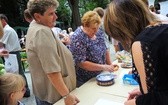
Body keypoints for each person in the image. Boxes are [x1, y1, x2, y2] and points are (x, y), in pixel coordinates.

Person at [104, 0, 168, 105]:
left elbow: (156, 100)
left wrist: (137, 102)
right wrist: (143, 92)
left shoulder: (141, 43)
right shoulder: (163, 27)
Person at [26, 0, 79, 105]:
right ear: (37, 16)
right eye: (51, 13)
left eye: (55, 12)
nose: (56, 17)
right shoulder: (42, 32)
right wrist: (67, 95)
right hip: (55, 97)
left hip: (50, 95)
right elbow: (52, 70)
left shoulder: (36, 26)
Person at [69, 11, 114, 87]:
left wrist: (110, 65)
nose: (95, 31)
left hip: (101, 74)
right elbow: (81, 63)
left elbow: (105, 49)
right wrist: (104, 67)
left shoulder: (98, 32)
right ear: (85, 25)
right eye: (93, 28)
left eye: (97, 28)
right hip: (86, 80)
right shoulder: (77, 37)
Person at [0, 14, 30, 97]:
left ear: (3, 20)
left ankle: (24, 91)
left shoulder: (6, 30)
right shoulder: (8, 29)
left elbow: (1, 43)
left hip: (12, 53)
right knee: (18, 72)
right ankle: (24, 91)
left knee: (16, 73)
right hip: (12, 53)